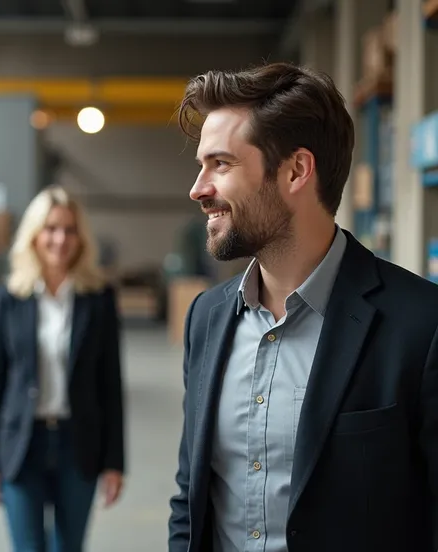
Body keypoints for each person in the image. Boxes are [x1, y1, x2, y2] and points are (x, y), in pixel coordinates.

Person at [168, 62, 438, 552]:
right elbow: (192, 499)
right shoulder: (206, 318)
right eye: (200, 165)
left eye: (221, 164)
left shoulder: (422, 326)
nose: (198, 188)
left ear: (296, 171)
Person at [0, 186, 125, 552]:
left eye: (70, 230)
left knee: (69, 547)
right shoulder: (10, 296)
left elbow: (110, 385)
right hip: (22, 444)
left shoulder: (99, 297)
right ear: (34, 235)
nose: (60, 239)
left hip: (79, 443)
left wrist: (115, 462)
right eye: (51, 229)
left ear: (81, 238)